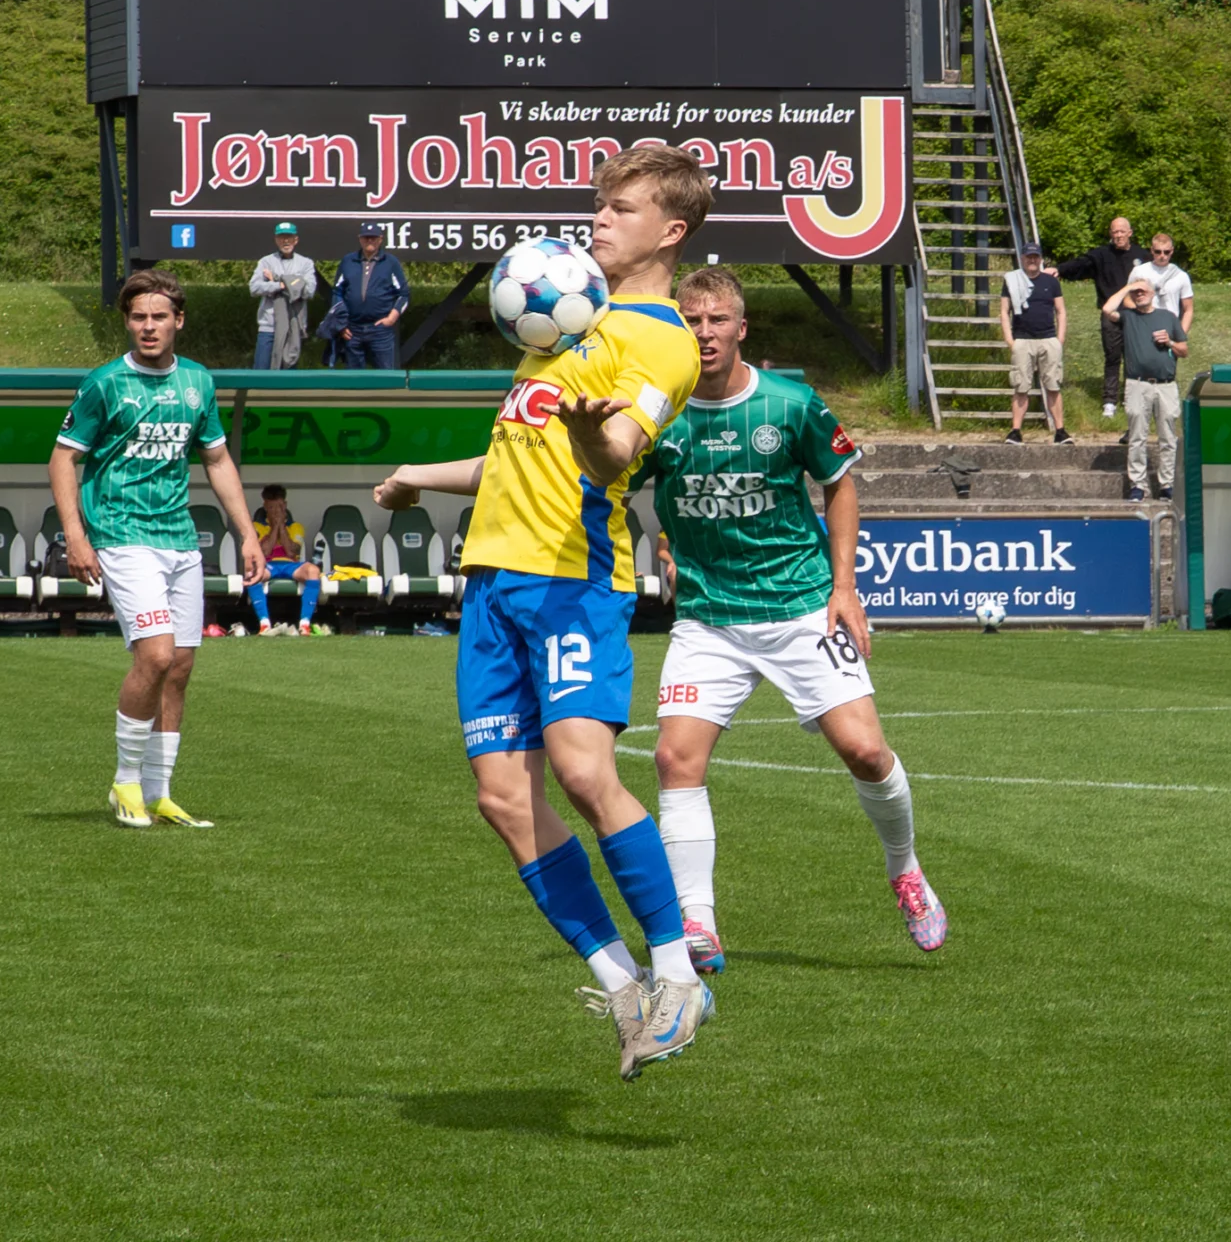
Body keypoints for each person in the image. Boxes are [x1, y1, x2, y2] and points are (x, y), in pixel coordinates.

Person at [372, 146, 715, 1081]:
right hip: (491, 581)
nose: (599, 219)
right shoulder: (560, 326)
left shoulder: (659, 340)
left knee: (578, 767)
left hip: (572, 578)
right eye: (599, 204)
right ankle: (619, 986)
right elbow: (515, 460)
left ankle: (678, 973)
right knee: (500, 799)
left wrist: (583, 426)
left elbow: (610, 457)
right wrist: (418, 479)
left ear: (670, 231)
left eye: (623, 208)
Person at [633, 267, 946, 976]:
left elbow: (838, 485)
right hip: (710, 619)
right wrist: (663, 541)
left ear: (742, 328)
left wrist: (845, 587)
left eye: (718, 321)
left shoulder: (790, 404)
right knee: (674, 759)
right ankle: (697, 919)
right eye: (691, 320)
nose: (704, 333)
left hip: (801, 605)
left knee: (866, 752)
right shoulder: (658, 412)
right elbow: (625, 478)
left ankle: (905, 869)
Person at [48, 269, 267, 829]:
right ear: (127, 322)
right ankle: (124, 783)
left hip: (180, 539)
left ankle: (159, 791)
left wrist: (246, 532)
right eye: (138, 317)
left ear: (178, 321)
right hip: (122, 534)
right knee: (156, 655)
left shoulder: (198, 382)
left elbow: (216, 460)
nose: (148, 327)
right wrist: (76, 534)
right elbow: (63, 457)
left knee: (182, 666)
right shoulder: (104, 383)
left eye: (159, 317)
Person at [1103, 277, 1186, 502]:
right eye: (1136, 293)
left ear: (1152, 294)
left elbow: (1184, 350)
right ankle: (1137, 485)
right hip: (1137, 384)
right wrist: (1128, 286)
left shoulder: (1168, 317)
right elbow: (1107, 308)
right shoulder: (1128, 317)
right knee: (1137, 436)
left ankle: (1167, 484)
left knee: (1168, 437)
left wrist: (1169, 342)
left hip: (1166, 385)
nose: (1139, 295)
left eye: (1143, 291)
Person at [1056, 216, 1146, 421]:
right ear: (1110, 234)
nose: (1118, 235)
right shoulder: (1101, 255)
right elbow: (1079, 265)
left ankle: (1133, 399)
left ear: (1130, 233)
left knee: (1135, 359)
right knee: (1112, 358)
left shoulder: (1142, 256)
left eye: (1122, 231)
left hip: (1137, 315)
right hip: (1110, 315)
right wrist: (1059, 270)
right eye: (1115, 232)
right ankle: (1109, 402)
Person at [999, 243, 1070, 445]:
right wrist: (1010, 340)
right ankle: (1015, 430)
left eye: (1036, 257)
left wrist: (1060, 339)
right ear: (1022, 258)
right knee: (1021, 386)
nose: (1032, 260)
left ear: (1041, 259)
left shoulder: (1051, 282)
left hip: (1048, 339)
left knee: (1053, 385)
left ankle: (1060, 431)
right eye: (1029, 257)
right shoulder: (1012, 281)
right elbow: (1004, 310)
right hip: (1022, 339)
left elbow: (1061, 310)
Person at [243, 483, 325, 635]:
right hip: (267, 565)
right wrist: (275, 527)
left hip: (290, 565)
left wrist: (281, 525)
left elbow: (291, 552)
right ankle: (264, 624)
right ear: (265, 506)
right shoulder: (256, 526)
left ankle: (305, 624)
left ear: (285, 505)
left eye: (279, 507)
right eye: (272, 507)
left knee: (313, 570)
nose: (276, 511)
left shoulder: (296, 527)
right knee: (252, 574)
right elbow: (264, 551)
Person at [333, 223, 409, 369]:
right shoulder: (348, 261)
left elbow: (404, 294)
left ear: (380, 239)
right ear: (360, 239)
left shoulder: (390, 262)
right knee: (354, 380)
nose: (369, 241)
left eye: (373, 238)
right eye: (366, 238)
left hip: (380, 329)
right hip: (352, 329)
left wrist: (392, 318)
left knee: (386, 377)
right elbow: (337, 292)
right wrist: (341, 323)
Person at [249, 222, 318, 369]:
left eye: (289, 237)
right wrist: (281, 285)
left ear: (296, 239)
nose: (285, 241)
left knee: (288, 376)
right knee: (260, 373)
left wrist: (276, 278)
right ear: (276, 239)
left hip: (294, 327)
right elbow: (254, 288)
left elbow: (309, 291)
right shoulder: (266, 262)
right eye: (282, 237)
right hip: (269, 328)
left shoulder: (305, 263)